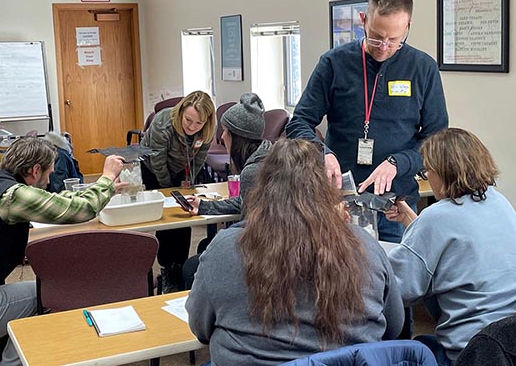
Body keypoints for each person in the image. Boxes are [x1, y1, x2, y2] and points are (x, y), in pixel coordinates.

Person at [186, 139, 404, 366]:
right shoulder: (365, 246)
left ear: (261, 188)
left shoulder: (225, 249)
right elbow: (393, 325)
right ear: (326, 190)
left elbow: (200, 328)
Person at [286, 0, 448, 243]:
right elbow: (299, 123)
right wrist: (321, 153)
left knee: (396, 280)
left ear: (408, 26)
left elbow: (436, 140)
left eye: (394, 39)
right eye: (376, 36)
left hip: (396, 206)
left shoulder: (423, 68)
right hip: (340, 204)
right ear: (363, 20)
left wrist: (399, 163)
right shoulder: (334, 63)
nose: (383, 46)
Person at [386, 128, 516, 366]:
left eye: (427, 171)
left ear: (442, 173)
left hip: (479, 351)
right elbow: (456, 244)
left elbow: (400, 289)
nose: (427, 177)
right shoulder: (498, 200)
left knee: (407, 351)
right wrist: (410, 222)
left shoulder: (435, 218)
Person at [0, 137, 125, 366]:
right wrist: (107, 177)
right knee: (52, 292)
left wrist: (103, 190)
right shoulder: (13, 196)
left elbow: (52, 200)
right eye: (48, 173)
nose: (49, 181)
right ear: (36, 170)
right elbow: (80, 210)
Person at [182, 92, 272, 288]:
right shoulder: (268, 154)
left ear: (238, 137)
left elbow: (249, 227)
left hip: (266, 254)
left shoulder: (253, 170)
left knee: (191, 267)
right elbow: (246, 202)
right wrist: (204, 207)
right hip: (277, 245)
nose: (221, 137)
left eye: (225, 131)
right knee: (206, 245)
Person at [140, 91, 216, 293]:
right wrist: (169, 190)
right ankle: (166, 268)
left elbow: (199, 159)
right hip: (154, 167)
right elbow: (158, 161)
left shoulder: (207, 129)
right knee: (166, 215)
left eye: (198, 123)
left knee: (184, 213)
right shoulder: (163, 123)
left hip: (183, 168)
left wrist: (188, 183)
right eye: (188, 120)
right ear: (181, 111)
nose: (191, 127)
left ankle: (179, 266)